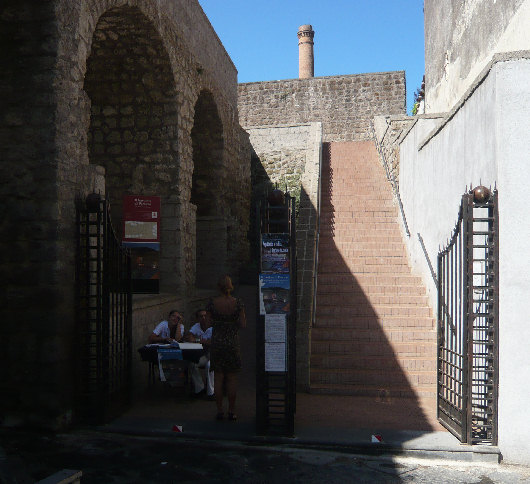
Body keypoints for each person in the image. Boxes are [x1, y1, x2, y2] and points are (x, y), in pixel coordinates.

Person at [207, 274, 246, 421]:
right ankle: (232, 410)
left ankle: (219, 410)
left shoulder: (212, 303)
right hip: (232, 342)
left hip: (217, 342)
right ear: (231, 286)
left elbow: (208, 324)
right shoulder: (238, 303)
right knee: (231, 378)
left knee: (218, 377)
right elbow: (243, 324)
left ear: (219, 287)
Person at [184, 309, 215, 399]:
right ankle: (199, 389)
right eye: (201, 316)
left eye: (205, 316)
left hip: (214, 355)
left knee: (210, 366)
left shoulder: (213, 327)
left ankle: (211, 392)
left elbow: (213, 342)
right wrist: (192, 337)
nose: (203, 318)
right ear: (197, 318)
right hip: (203, 355)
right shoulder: (196, 326)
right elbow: (189, 336)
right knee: (192, 364)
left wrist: (198, 340)